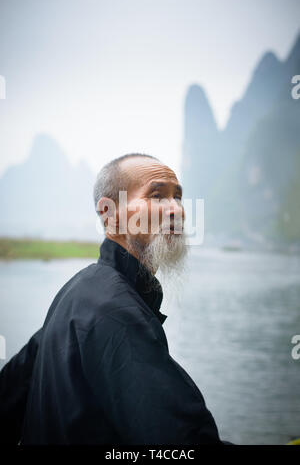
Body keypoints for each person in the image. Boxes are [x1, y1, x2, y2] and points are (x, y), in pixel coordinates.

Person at [0, 153, 228, 445]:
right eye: (157, 196)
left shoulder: (77, 291)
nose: (177, 210)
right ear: (109, 213)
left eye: (179, 198)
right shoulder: (114, 311)